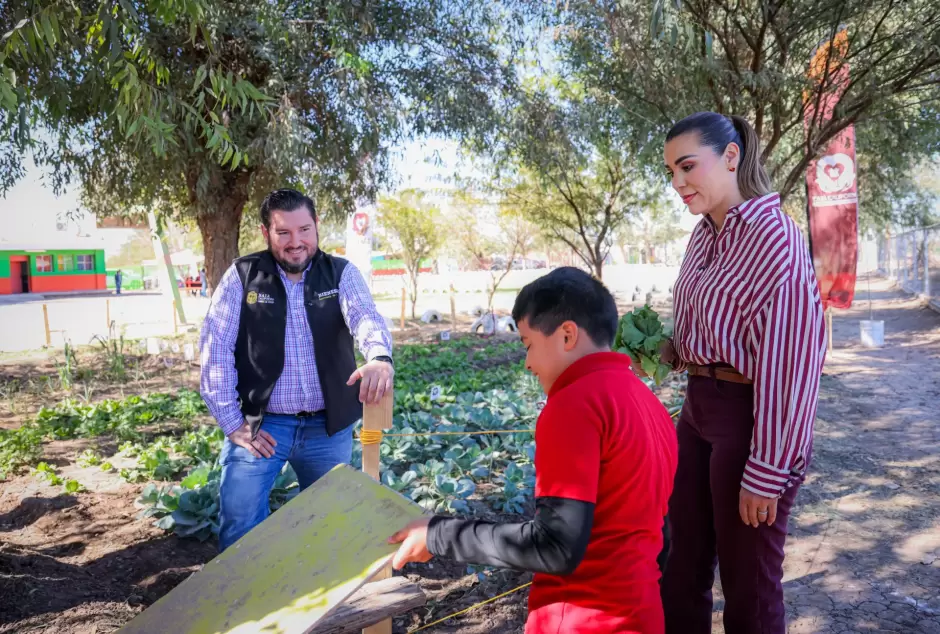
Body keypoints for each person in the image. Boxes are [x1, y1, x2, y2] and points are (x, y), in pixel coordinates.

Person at [389, 267, 678, 634]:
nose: (527, 362)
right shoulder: (649, 403)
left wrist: (439, 534)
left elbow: (555, 546)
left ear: (567, 334)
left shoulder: (574, 405)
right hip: (642, 614)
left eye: (528, 344)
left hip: (581, 619)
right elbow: (664, 534)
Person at [656, 112, 826, 634]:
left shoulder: (776, 238)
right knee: (679, 565)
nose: (679, 183)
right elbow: (712, 323)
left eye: (688, 166)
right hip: (697, 409)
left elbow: (793, 364)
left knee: (747, 582)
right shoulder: (702, 235)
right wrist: (673, 346)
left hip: (751, 421)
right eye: (670, 173)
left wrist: (767, 470)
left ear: (730, 157)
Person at [200, 188, 394, 551]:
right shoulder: (243, 276)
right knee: (239, 517)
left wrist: (380, 356)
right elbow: (215, 349)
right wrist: (232, 422)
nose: (296, 242)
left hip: (328, 426)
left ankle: (321, 599)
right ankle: (244, 599)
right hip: (263, 425)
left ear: (316, 226)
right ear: (265, 233)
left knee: (330, 522)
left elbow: (365, 318)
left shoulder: (340, 274)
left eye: (304, 229)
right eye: (283, 232)